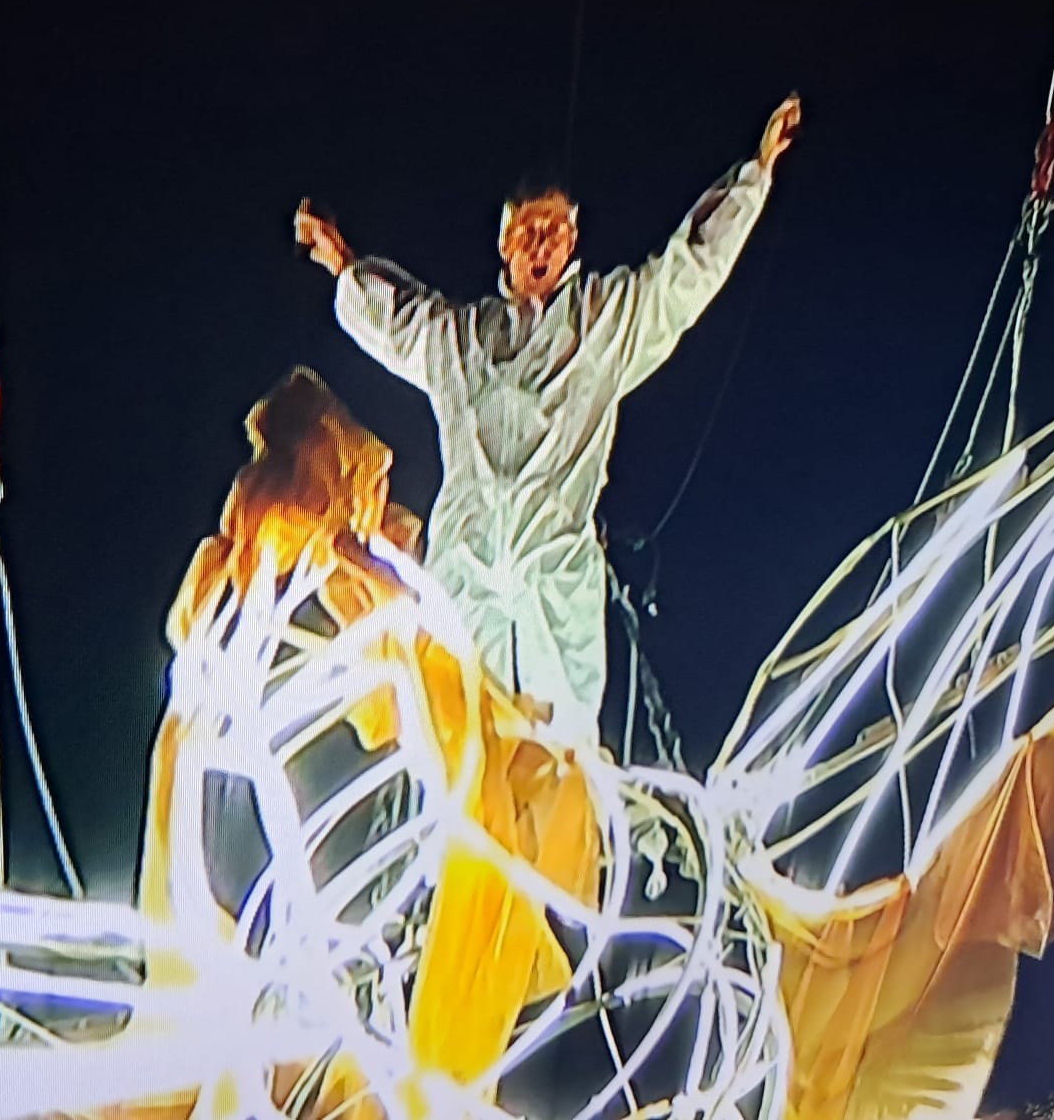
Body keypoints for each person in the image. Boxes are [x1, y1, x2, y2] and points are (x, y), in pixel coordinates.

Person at [293, 96, 802, 743]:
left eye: (556, 231)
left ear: (573, 242)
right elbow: (397, 319)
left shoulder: (604, 324)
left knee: (559, 751)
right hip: (469, 564)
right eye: (530, 230)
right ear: (505, 242)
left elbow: (686, 272)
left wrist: (754, 176)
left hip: (554, 571)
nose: (542, 244)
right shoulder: (463, 338)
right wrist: (341, 264)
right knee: (460, 737)